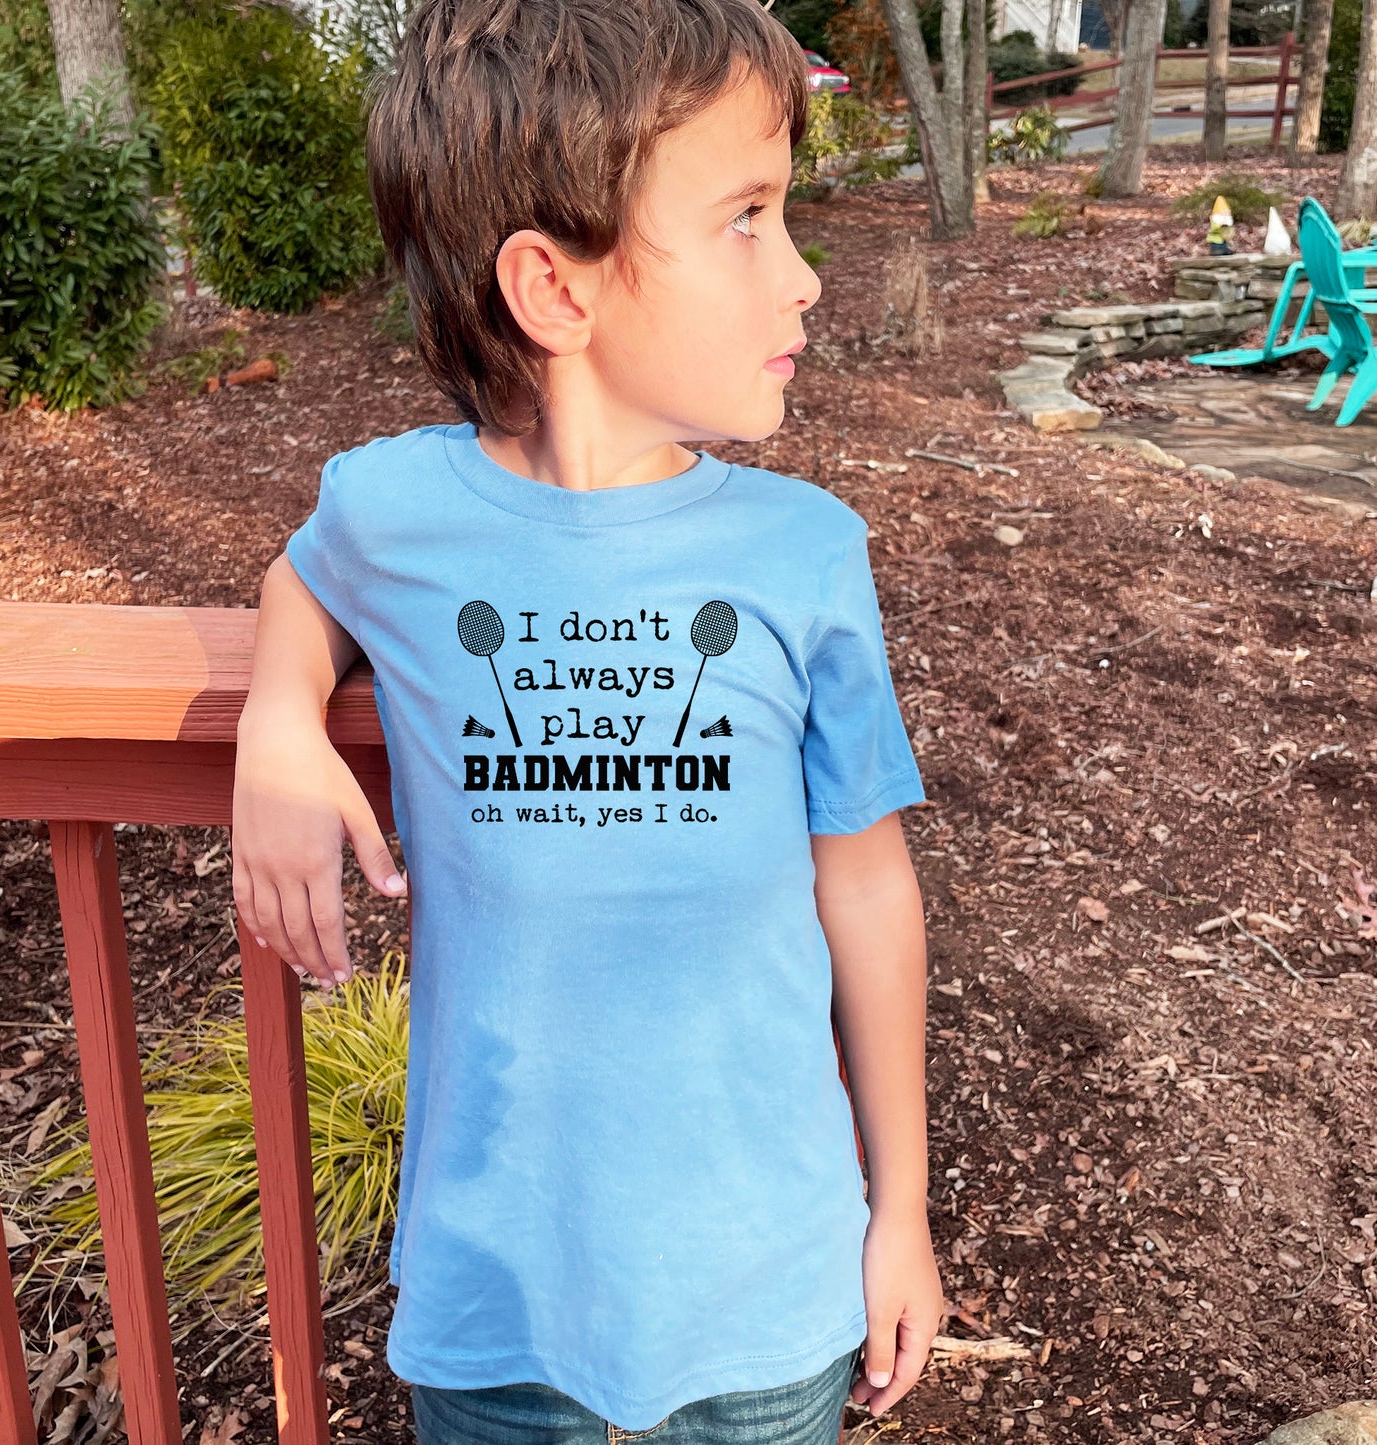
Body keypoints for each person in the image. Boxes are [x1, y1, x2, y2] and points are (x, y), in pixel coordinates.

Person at [230, 1, 943, 1441]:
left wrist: (901, 1211)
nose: (804, 278)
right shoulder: (400, 510)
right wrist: (277, 728)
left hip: (764, 1293)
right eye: (747, 218)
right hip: (498, 1296)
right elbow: (303, 577)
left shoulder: (806, 551)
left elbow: (864, 882)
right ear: (555, 289)